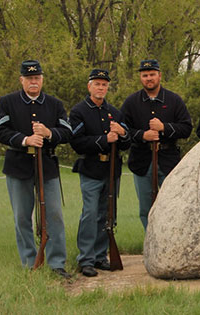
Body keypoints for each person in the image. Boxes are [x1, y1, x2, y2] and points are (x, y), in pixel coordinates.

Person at [0, 60, 72, 278]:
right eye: (29, 79)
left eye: (37, 78)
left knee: (54, 214)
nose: (33, 82)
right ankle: (30, 262)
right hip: (18, 165)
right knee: (22, 217)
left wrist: (48, 133)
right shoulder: (8, 102)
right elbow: (0, 130)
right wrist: (25, 139)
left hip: (46, 165)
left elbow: (67, 132)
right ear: (22, 80)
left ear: (42, 79)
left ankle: (57, 263)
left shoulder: (54, 104)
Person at [69, 69, 130, 277]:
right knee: (90, 214)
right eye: (97, 84)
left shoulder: (114, 112)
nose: (101, 88)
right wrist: (104, 140)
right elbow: (77, 143)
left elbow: (127, 142)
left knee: (107, 215)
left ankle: (100, 256)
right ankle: (85, 259)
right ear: (89, 86)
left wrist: (122, 134)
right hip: (92, 169)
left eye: (104, 85)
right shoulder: (79, 112)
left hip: (111, 171)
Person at [121, 59, 193, 230]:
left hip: (169, 162)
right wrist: (143, 135)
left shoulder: (174, 100)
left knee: (173, 207)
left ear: (159, 75)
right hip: (142, 161)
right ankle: (151, 244)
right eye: (145, 75)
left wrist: (164, 128)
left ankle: (171, 244)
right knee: (146, 209)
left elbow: (186, 128)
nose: (149, 78)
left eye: (152, 74)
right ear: (140, 77)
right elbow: (123, 131)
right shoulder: (131, 102)